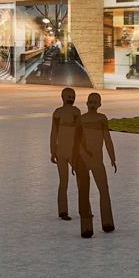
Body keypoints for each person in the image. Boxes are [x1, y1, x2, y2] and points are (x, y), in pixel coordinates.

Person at [74, 92, 116, 237]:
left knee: (104, 190)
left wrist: (112, 157)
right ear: (87, 103)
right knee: (84, 193)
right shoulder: (81, 119)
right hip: (83, 160)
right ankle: (86, 228)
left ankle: (107, 222)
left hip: (97, 160)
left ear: (99, 104)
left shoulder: (102, 119)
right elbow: (77, 141)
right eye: (90, 102)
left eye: (95, 102)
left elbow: (107, 139)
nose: (92, 105)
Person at [49, 87, 81, 220]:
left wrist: (53, 151)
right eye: (69, 96)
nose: (71, 99)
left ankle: (66, 210)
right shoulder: (73, 112)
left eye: (73, 97)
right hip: (66, 151)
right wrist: (53, 151)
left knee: (67, 182)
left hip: (67, 150)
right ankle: (69, 210)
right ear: (62, 97)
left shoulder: (61, 112)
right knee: (70, 181)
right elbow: (54, 133)